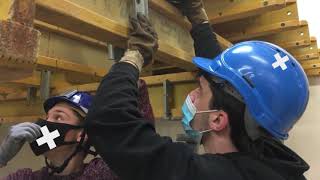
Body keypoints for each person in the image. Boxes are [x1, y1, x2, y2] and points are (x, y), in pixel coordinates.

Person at [85, 1, 310, 180]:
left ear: (218, 120)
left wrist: (134, 57)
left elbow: (111, 122)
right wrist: (198, 18)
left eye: (200, 91)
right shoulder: (272, 160)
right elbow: (228, 91)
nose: (192, 96)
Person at [1, 90, 118, 179]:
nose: (46, 123)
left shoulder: (101, 174)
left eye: (58, 117)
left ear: (82, 134)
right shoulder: (26, 178)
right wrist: (1, 157)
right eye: (47, 117)